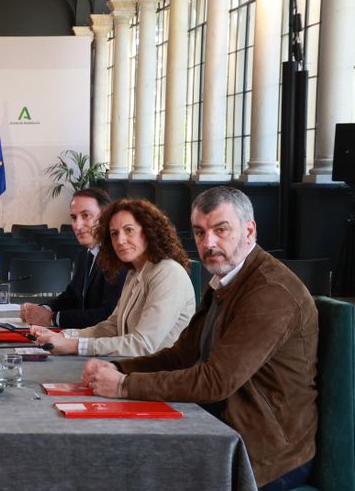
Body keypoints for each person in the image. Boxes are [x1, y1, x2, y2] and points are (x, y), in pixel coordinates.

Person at [82, 186, 318, 489]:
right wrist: (118, 368)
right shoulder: (226, 279)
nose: (209, 243)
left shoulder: (270, 291)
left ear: (249, 231)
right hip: (220, 425)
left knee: (128, 466)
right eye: (199, 232)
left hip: (265, 453)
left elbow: (216, 381)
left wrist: (124, 386)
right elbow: (182, 354)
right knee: (114, 453)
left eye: (221, 230)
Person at [31, 198, 195, 356]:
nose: (120, 240)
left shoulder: (168, 272)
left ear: (149, 232)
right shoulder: (134, 272)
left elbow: (143, 345)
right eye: (114, 234)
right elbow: (112, 327)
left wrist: (74, 346)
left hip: (163, 372)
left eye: (129, 230)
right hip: (138, 367)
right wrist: (63, 336)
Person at [20, 188, 126, 328]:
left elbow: (108, 315)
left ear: (106, 217)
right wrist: (42, 309)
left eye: (86, 215)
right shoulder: (85, 254)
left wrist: (52, 318)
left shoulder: (117, 257)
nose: (77, 225)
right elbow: (71, 297)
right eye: (74, 218)